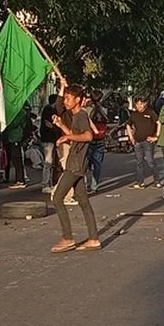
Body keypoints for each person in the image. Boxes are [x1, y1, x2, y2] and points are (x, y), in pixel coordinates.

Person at [50, 84, 101, 253]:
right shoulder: (76, 116)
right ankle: (93, 238)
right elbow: (74, 135)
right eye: (65, 98)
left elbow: (88, 136)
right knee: (83, 201)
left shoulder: (81, 115)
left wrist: (67, 136)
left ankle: (67, 238)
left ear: (77, 99)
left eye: (68, 98)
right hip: (78, 162)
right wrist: (62, 127)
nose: (65, 101)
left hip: (75, 164)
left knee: (57, 198)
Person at [126, 95, 159, 188]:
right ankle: (140, 182)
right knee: (139, 162)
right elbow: (128, 125)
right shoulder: (134, 114)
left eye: (141, 103)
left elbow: (158, 123)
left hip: (148, 141)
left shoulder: (151, 113)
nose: (139, 106)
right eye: (137, 104)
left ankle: (157, 180)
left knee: (150, 161)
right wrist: (131, 137)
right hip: (137, 141)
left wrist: (156, 136)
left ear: (145, 104)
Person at [85, 90, 109, 193]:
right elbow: (107, 120)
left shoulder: (86, 110)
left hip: (88, 139)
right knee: (97, 164)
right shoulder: (103, 109)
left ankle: (86, 185)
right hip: (100, 138)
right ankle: (94, 185)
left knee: (86, 165)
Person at [1, 106, 29, 189]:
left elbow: (14, 123)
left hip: (15, 137)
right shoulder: (17, 111)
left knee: (17, 158)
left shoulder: (20, 112)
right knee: (10, 158)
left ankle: (20, 180)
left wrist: (5, 125)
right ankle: (9, 177)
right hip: (10, 137)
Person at [39, 93, 61, 194]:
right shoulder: (49, 110)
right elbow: (48, 125)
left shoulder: (52, 110)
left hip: (52, 139)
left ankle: (50, 182)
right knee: (48, 162)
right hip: (49, 139)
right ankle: (45, 184)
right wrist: (55, 127)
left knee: (52, 162)